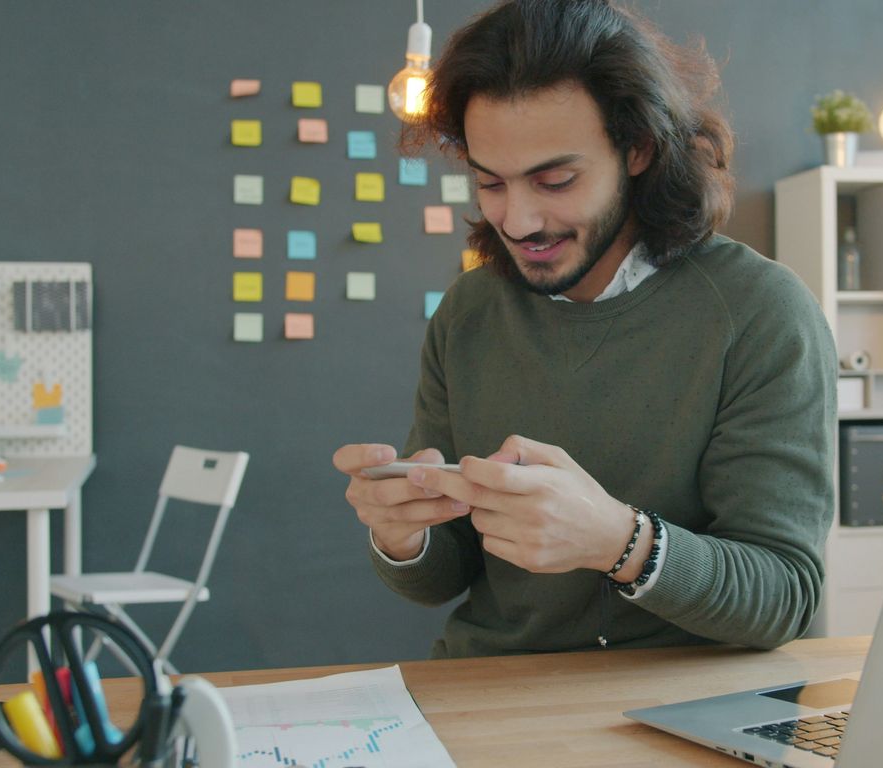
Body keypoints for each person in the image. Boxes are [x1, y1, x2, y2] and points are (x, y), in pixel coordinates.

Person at [332, 0, 836, 658]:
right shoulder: (469, 311)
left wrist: (619, 543)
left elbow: (783, 596)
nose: (518, 220)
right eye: (490, 183)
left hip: (678, 711)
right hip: (491, 697)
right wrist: (403, 534)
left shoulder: (759, 313)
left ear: (639, 149)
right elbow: (444, 576)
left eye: (555, 180)